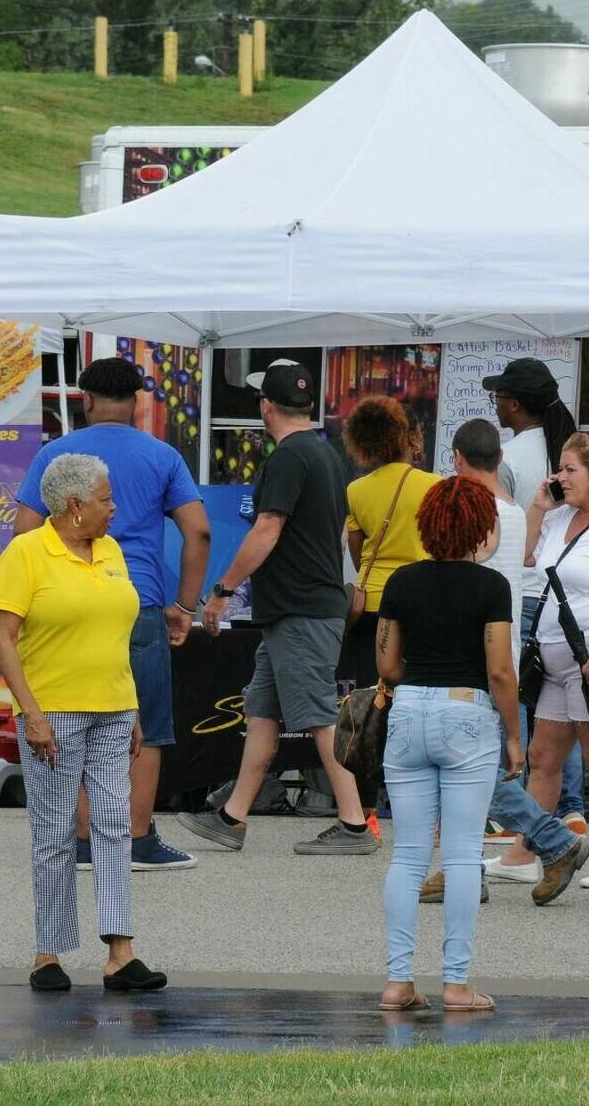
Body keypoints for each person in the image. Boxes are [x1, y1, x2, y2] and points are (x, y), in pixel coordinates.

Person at [15, 359, 211, 874]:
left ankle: (80, 839)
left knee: (73, 713)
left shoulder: (55, 455)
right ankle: (138, 837)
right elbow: (199, 531)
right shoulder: (163, 456)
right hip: (136, 601)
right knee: (145, 720)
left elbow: (24, 530)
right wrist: (185, 605)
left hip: (65, 603)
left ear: (85, 400)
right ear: (139, 402)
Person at [179, 360, 375, 856]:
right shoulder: (327, 454)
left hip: (301, 610)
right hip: (301, 607)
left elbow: (268, 527)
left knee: (318, 716)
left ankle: (354, 824)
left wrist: (223, 590)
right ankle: (232, 817)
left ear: (266, 406)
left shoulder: (288, 458)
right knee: (262, 711)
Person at [0, 453, 166, 994]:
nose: (115, 508)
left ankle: (121, 951)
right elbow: (3, 638)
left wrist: (132, 706)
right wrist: (31, 711)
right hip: (53, 712)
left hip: (113, 707)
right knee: (54, 831)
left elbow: (118, 636)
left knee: (115, 824)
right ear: (73, 506)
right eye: (105, 499)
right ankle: (49, 953)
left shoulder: (110, 550)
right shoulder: (26, 553)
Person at [421, 419, 589, 907]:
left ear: (456, 458)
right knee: (467, 766)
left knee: (466, 767)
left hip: (471, 655)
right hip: (503, 649)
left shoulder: (473, 514)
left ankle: (553, 841)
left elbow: (462, 580)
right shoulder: (514, 511)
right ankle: (465, 868)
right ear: (499, 459)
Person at [376, 477, 518, 1013]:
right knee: (461, 855)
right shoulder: (491, 588)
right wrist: (514, 737)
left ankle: (397, 981)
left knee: (408, 854)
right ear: (480, 527)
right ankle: (455, 983)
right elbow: (500, 670)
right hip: (467, 713)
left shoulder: (402, 582)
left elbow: (386, 663)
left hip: (408, 709)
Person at [492, 434, 589, 891]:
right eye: (560, 469)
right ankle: (522, 854)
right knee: (543, 756)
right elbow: (525, 558)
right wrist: (539, 507)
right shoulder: (560, 518)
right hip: (556, 656)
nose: (561, 477)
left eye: (570, 469)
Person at [482, 357, 586, 833]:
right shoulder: (575, 454)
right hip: (570, 593)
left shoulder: (509, 459)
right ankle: (570, 806)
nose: (496, 403)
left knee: (521, 699)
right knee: (567, 701)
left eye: (499, 396)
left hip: (523, 591)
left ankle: (521, 804)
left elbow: (496, 531)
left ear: (516, 404)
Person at [340, 396, 442, 689]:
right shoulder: (435, 486)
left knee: (370, 696)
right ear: (411, 438)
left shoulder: (355, 490)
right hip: (420, 600)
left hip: (369, 605)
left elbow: (358, 556)